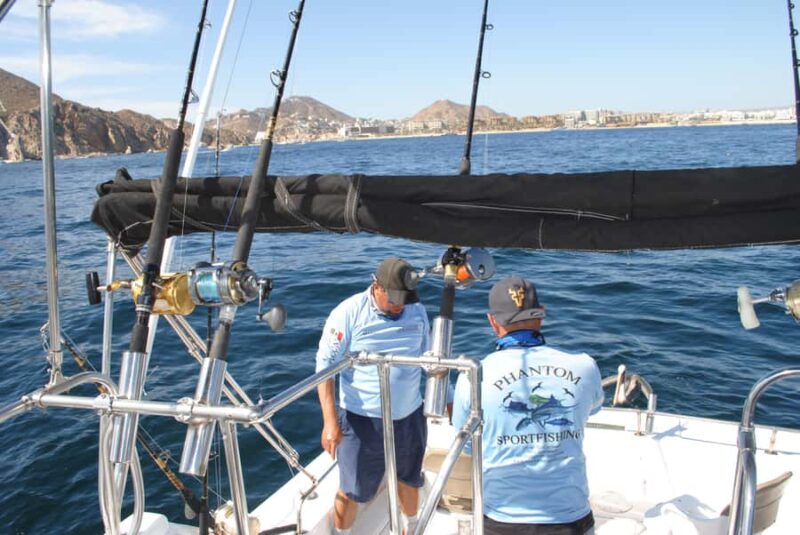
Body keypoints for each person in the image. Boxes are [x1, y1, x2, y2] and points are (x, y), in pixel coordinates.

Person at [452, 276, 603, 535]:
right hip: (571, 520)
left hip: (501, 521)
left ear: (492, 321)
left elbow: (468, 446)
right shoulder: (585, 366)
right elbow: (592, 409)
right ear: (541, 314)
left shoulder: (472, 376)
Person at [316, 257, 430, 535]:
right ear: (376, 286)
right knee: (352, 489)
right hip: (361, 420)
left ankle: (411, 528)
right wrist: (330, 423)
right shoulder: (349, 312)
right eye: (394, 299)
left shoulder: (417, 310)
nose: (400, 305)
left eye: (404, 299)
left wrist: (448, 398)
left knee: (410, 479)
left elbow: (429, 357)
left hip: (410, 415)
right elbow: (325, 368)